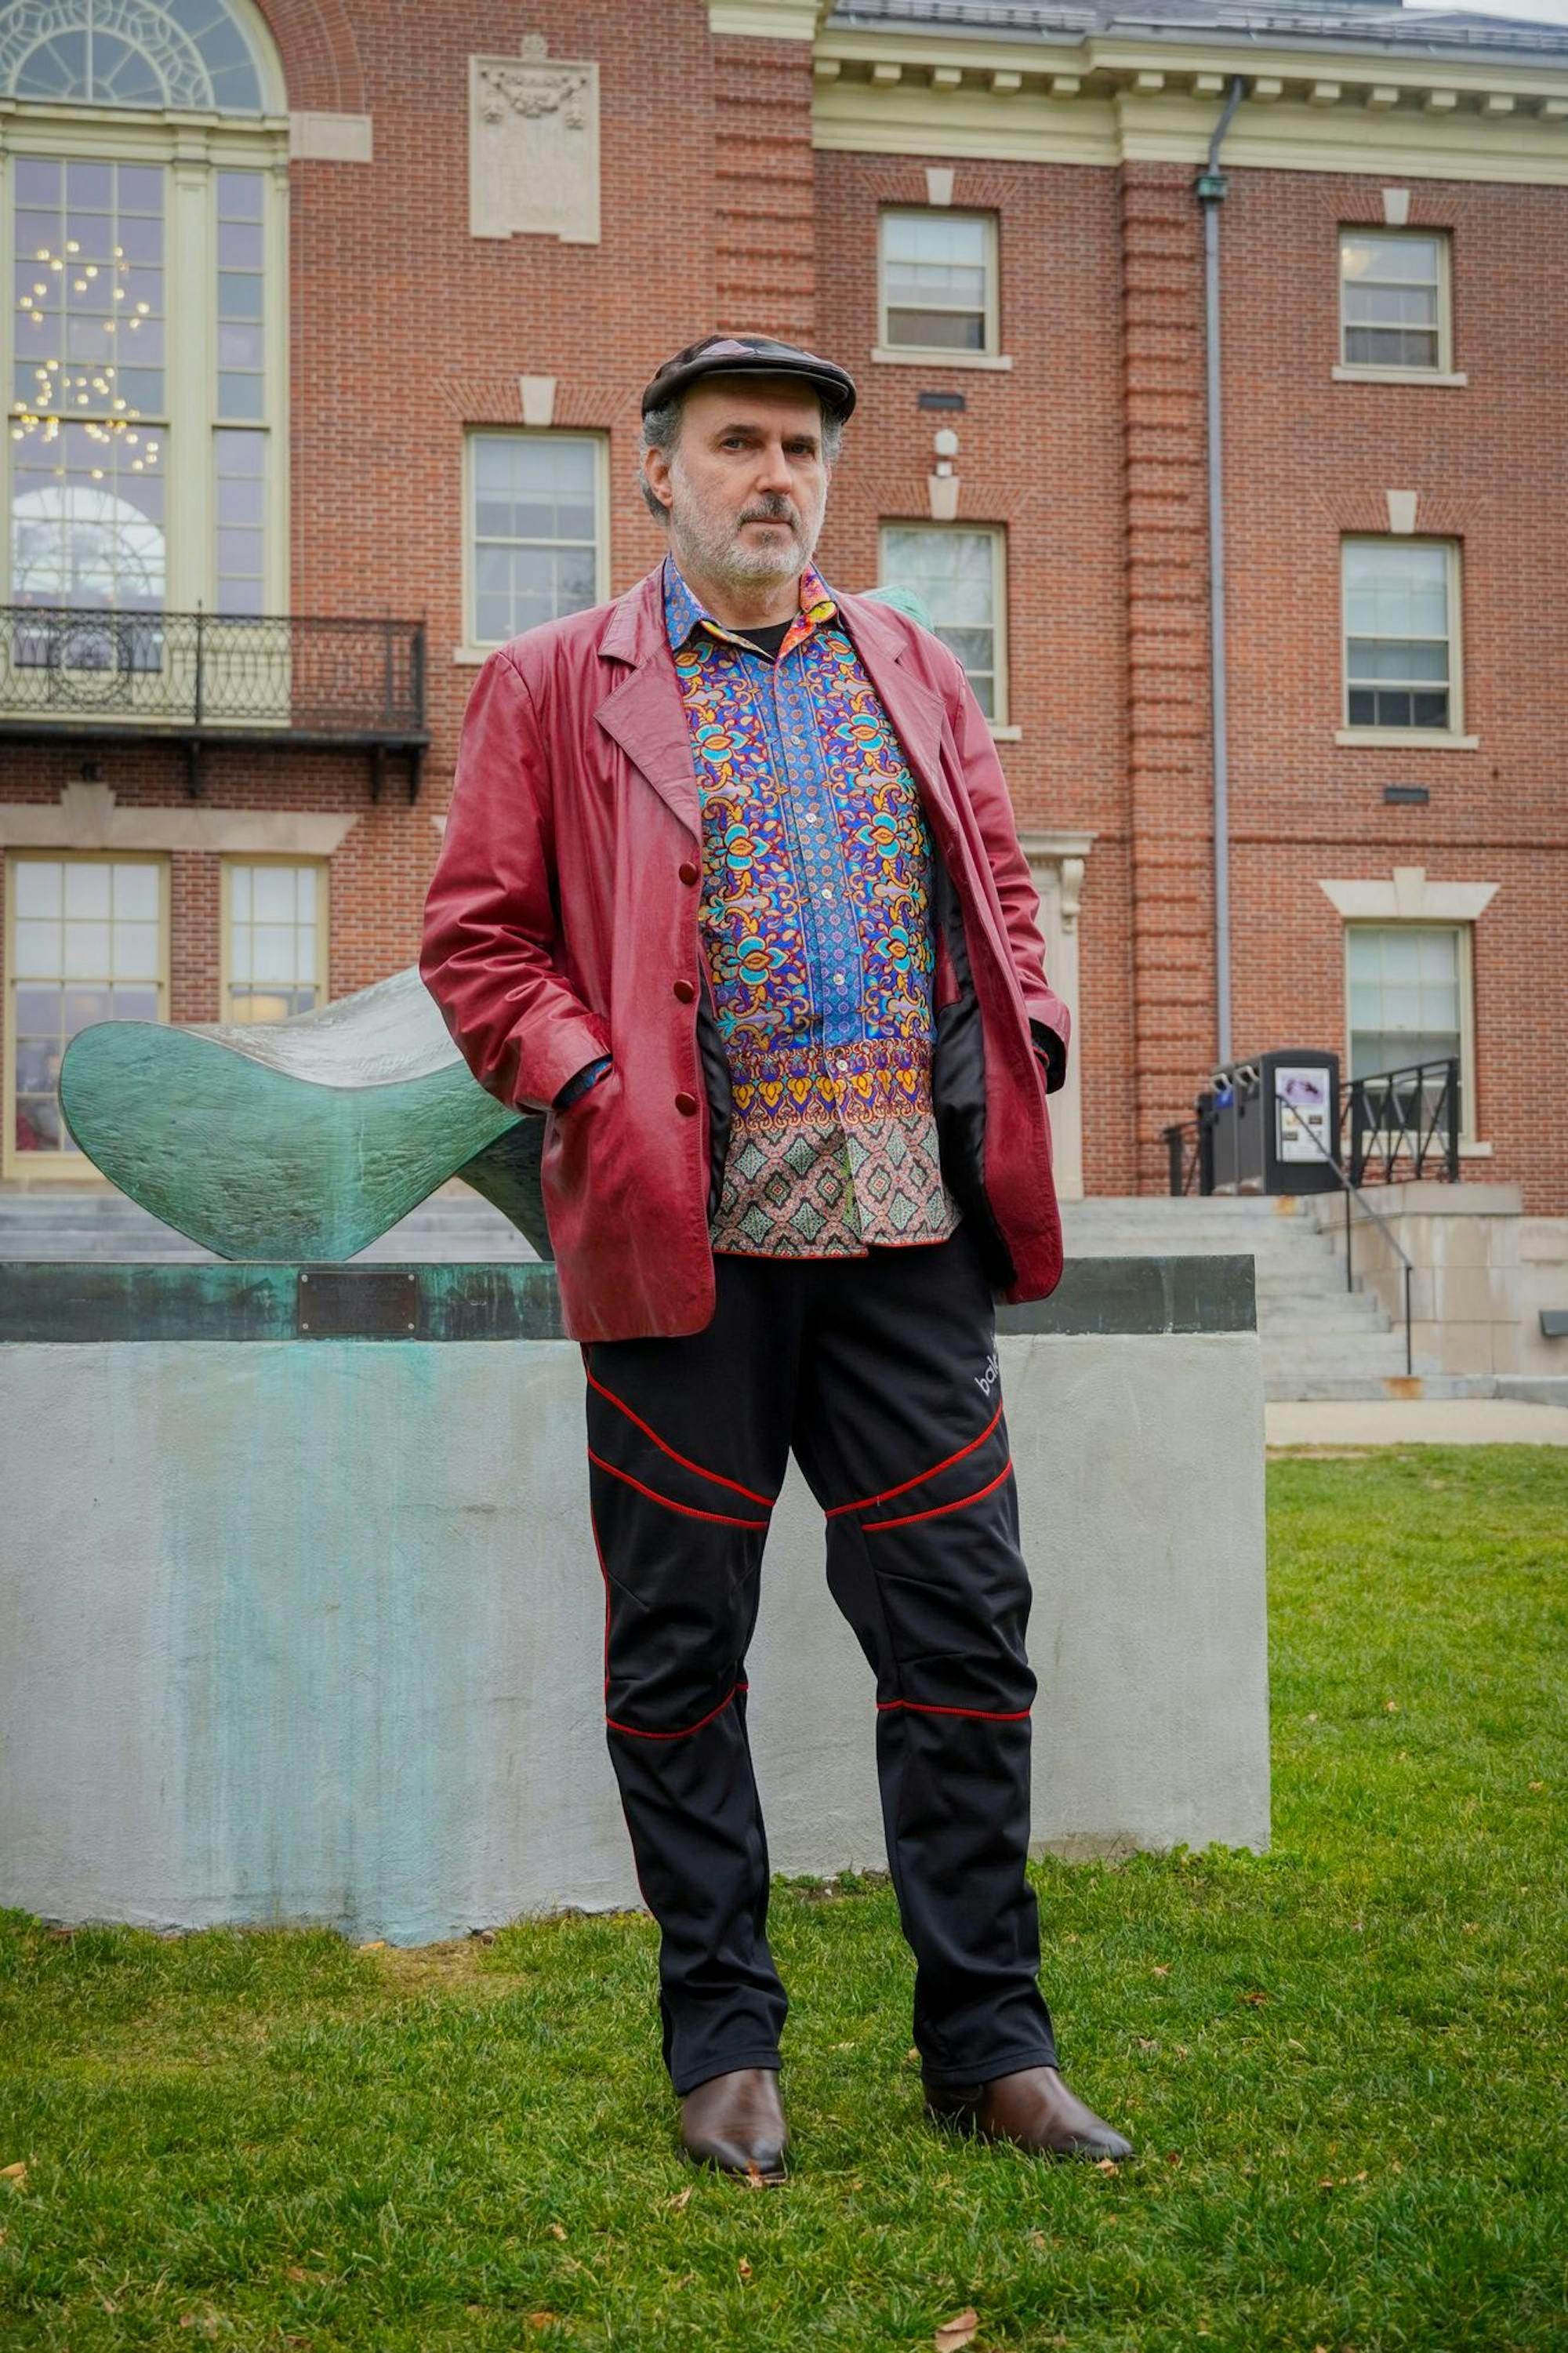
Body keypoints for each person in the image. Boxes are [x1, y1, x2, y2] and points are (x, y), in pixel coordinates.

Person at [419, 332, 1134, 2183]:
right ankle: (723, 2041)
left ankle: (991, 2043)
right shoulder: (552, 683)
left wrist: (1026, 1041)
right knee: (678, 1655)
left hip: (911, 1240)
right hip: (685, 1250)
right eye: (736, 443)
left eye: (801, 448)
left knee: (965, 1636)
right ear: (653, 471)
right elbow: (478, 943)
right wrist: (590, 1088)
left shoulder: (910, 658)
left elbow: (998, 890)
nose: (774, 474)